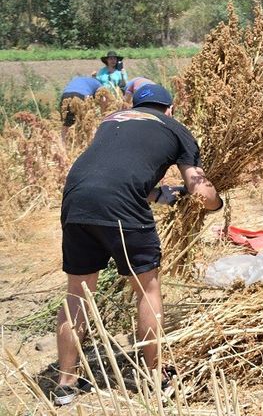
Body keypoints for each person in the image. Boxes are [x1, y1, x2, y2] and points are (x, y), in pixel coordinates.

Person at [52, 84, 222, 406]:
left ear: (135, 107)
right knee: (147, 288)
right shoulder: (175, 128)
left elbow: (113, 171)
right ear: (168, 109)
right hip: (121, 206)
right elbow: (200, 190)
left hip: (76, 199)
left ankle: (66, 383)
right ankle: (155, 376)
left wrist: (158, 194)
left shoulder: (111, 120)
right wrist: (216, 204)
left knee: (77, 291)